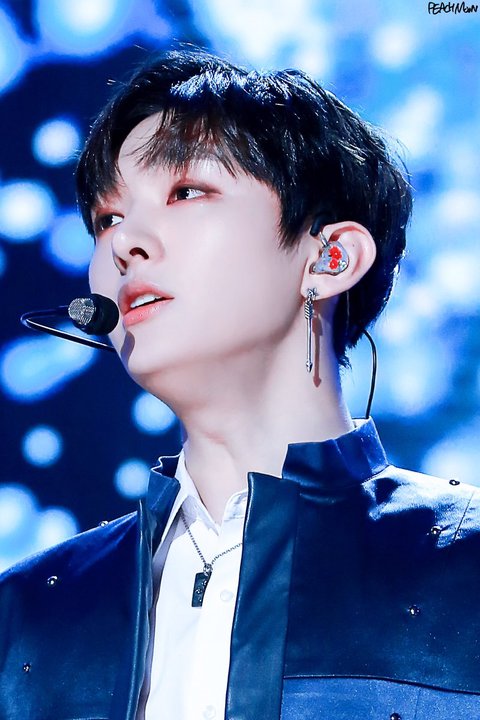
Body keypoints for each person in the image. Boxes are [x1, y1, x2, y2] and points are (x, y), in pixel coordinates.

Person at [1, 47, 480, 720]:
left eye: (186, 192)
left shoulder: (465, 561)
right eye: (107, 218)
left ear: (330, 258)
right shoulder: (25, 613)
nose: (124, 243)